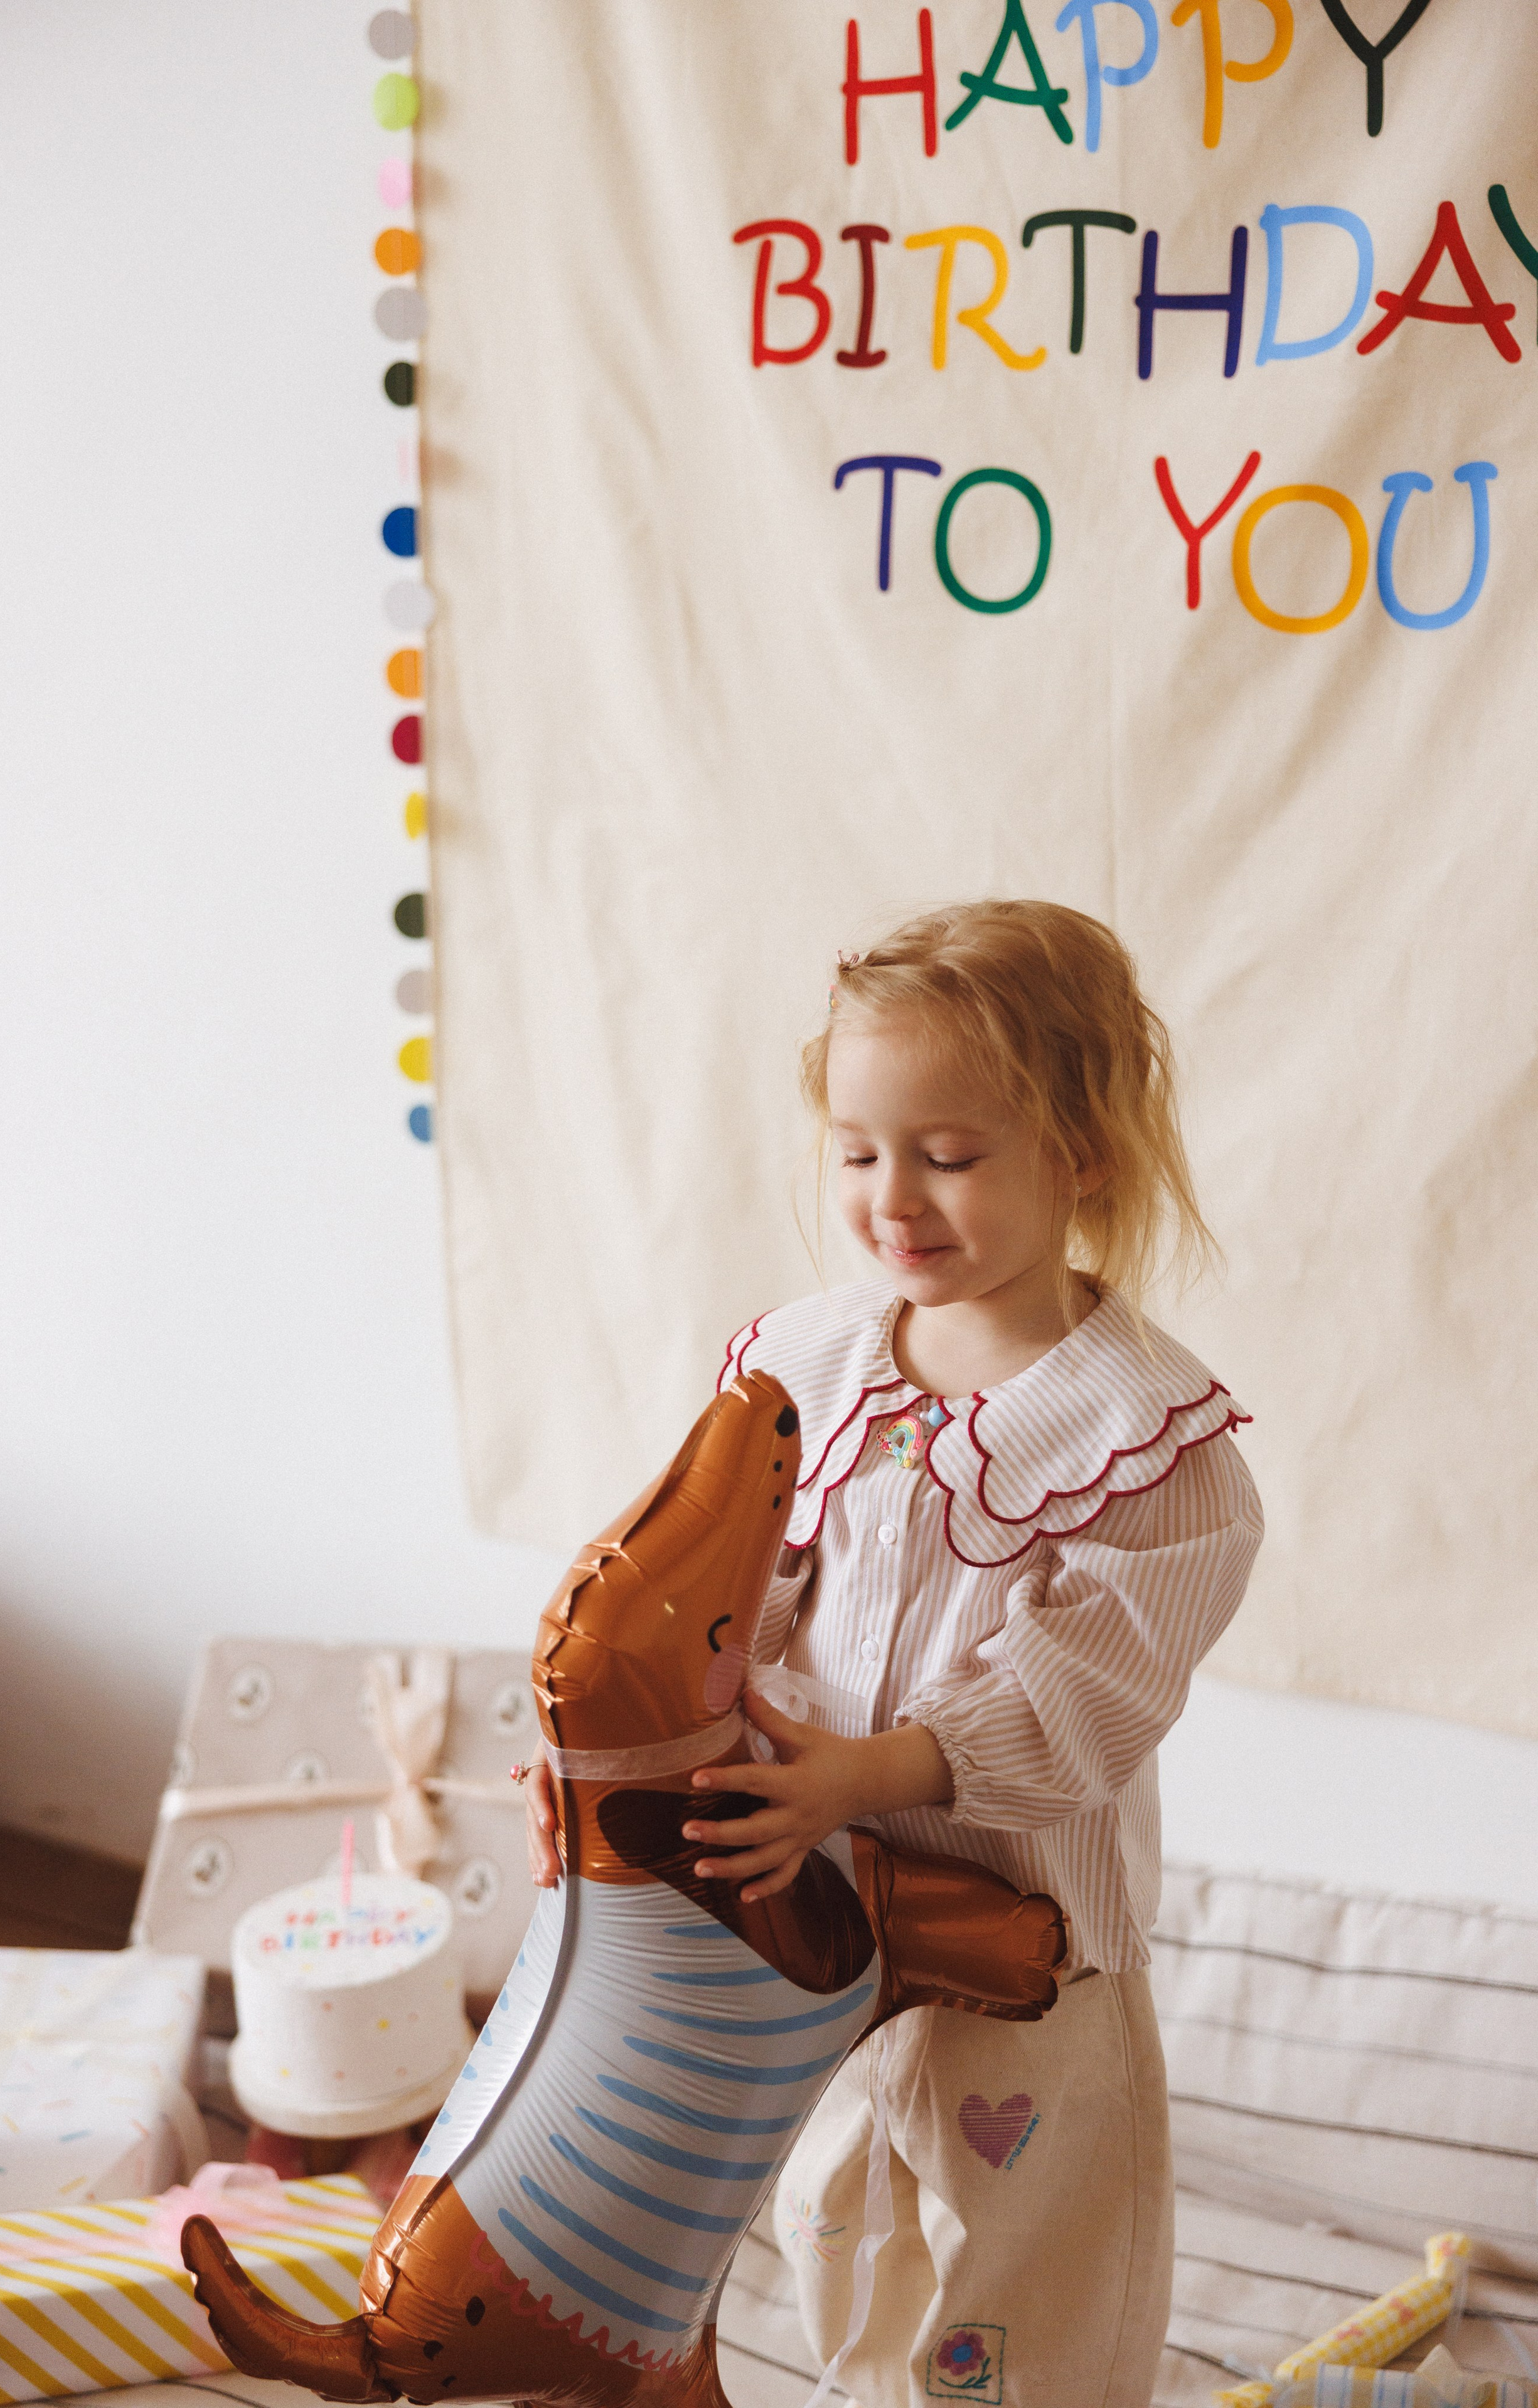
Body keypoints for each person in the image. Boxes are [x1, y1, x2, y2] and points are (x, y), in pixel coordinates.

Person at [525, 897, 1263, 2408]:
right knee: (835, 2214)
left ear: (1081, 1157)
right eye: (859, 1152)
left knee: (1032, 2265)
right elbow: (717, 1581)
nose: (892, 1198)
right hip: (829, 1911)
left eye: (948, 1153)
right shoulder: (808, 1365)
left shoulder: (1146, 1440)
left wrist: (872, 1766)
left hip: (1030, 1945)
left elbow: (1084, 1694)